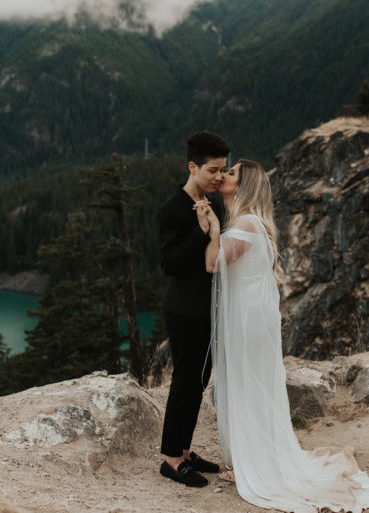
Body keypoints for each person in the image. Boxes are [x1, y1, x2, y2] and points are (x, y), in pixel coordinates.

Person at [194, 159, 369, 512]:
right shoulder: (251, 223)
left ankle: (254, 464)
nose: (224, 176)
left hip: (248, 321)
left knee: (248, 385)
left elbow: (212, 263)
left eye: (232, 173)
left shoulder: (247, 224)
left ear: (244, 186)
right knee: (252, 385)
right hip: (254, 318)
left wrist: (211, 232)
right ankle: (249, 458)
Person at [157, 130, 229, 488]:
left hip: (206, 308)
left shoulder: (213, 204)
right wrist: (200, 232)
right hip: (185, 309)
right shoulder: (172, 209)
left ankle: (184, 452)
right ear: (192, 166)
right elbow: (170, 264)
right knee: (186, 381)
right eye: (213, 170)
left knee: (198, 381)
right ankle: (171, 460)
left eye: (223, 170)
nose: (219, 177)